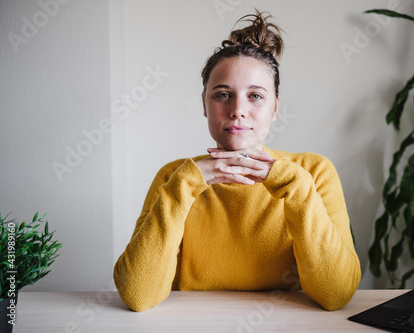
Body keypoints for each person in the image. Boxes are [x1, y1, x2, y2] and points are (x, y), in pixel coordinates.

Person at [113, 10, 361, 312]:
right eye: (222, 95)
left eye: (255, 96)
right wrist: (184, 185)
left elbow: (336, 295)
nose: (237, 110)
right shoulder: (174, 176)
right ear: (205, 104)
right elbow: (138, 295)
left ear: (275, 108)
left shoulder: (314, 171)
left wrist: (295, 186)